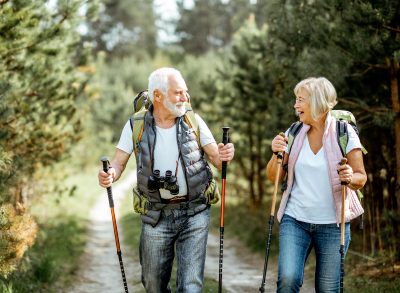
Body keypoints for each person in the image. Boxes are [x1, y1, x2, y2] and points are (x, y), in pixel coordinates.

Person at [98, 67, 234, 293]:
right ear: (158, 96)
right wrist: (109, 174)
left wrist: (227, 154)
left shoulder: (193, 120)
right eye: (178, 93)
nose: (185, 98)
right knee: (153, 285)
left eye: (185, 92)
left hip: (195, 212)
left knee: (190, 286)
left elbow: (218, 160)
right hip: (155, 214)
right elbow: (118, 163)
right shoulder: (136, 124)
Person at [266, 77, 367, 293]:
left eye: (300, 100)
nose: (295, 105)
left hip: (333, 224)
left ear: (318, 103)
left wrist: (350, 176)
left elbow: (361, 177)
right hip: (295, 220)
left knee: (328, 289)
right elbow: (274, 177)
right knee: (287, 279)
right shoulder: (293, 132)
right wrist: (276, 154)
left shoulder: (344, 133)